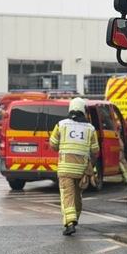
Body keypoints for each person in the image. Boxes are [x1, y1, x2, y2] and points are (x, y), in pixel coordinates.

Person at [50, 98, 99, 235]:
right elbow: (95, 150)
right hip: (81, 169)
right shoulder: (90, 128)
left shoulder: (61, 125)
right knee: (77, 196)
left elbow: (53, 144)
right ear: (83, 110)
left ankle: (70, 223)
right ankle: (75, 217)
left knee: (67, 195)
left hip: (65, 168)